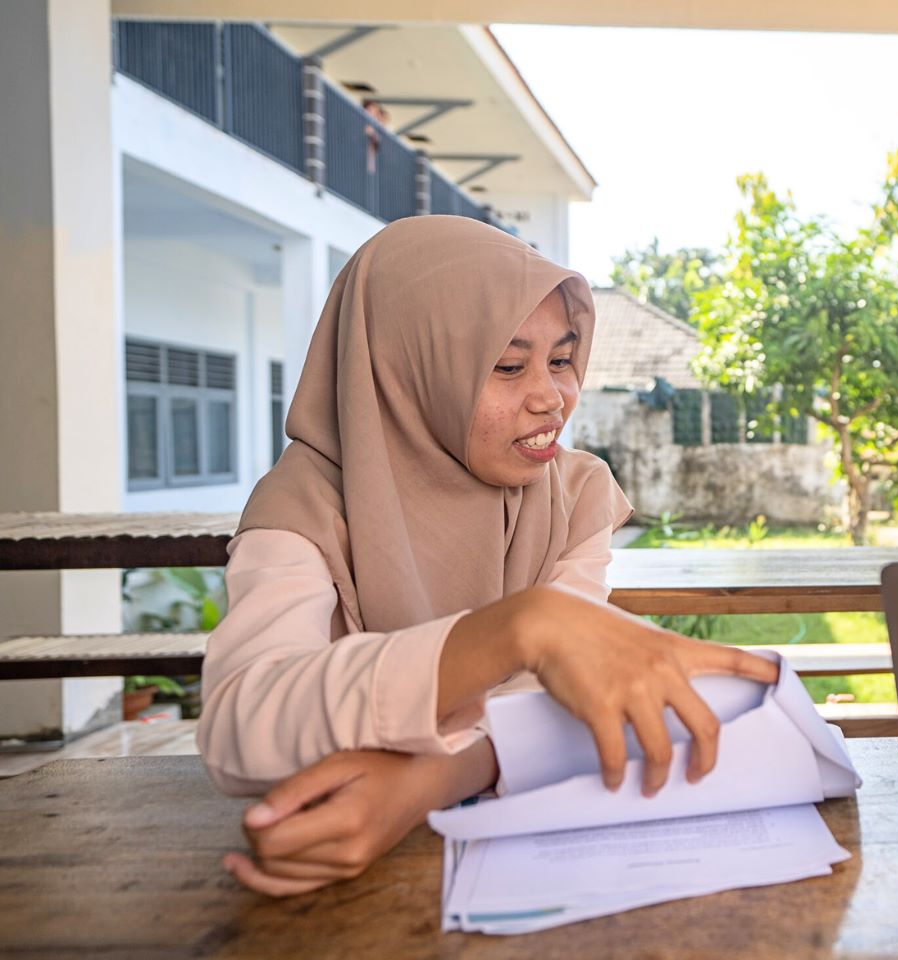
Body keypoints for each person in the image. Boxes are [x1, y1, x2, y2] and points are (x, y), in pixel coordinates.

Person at [197, 215, 778, 897]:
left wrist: (428, 779)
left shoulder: (574, 492)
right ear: (406, 370)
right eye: (506, 366)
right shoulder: (306, 503)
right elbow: (242, 723)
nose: (549, 398)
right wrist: (518, 631)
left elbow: (553, 704)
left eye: (561, 361)